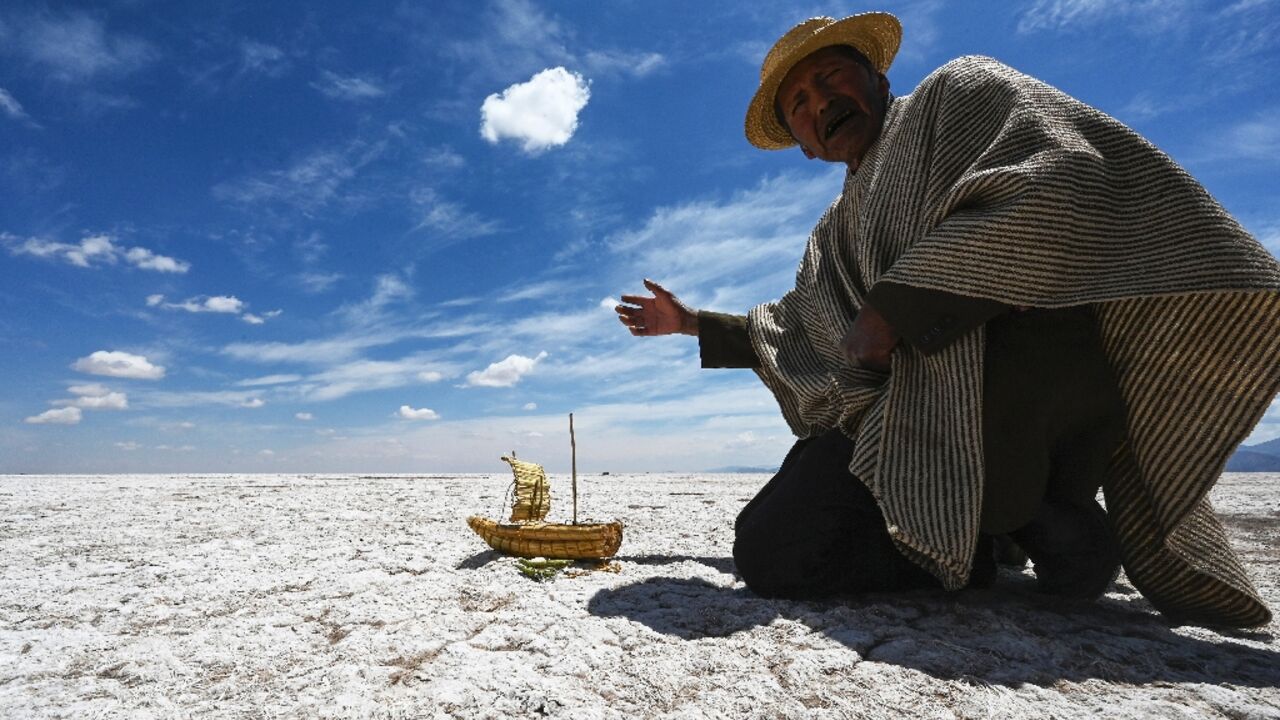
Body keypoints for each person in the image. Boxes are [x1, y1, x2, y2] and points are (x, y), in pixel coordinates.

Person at [615, 12, 1280, 628]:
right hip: (915, 418)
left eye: (830, 78)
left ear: (877, 77)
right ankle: (1011, 534)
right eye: (799, 105)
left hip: (1027, 390)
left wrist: (899, 308)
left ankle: (1007, 525)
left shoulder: (956, 96)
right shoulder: (831, 237)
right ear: (803, 145)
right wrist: (691, 324)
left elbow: (1064, 177)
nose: (820, 103)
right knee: (777, 541)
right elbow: (794, 327)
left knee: (775, 551)